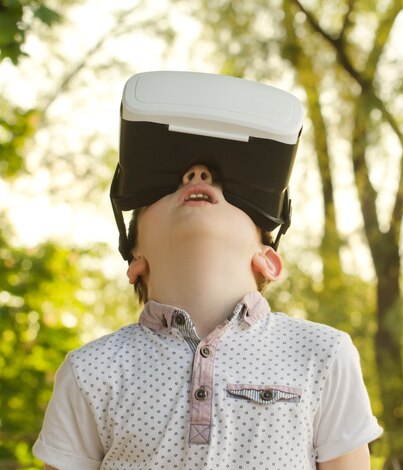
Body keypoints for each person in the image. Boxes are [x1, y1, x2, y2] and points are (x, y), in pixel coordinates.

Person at [32, 72, 383, 469]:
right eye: (166, 191)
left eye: (224, 187)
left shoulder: (322, 355)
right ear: (135, 262)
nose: (197, 175)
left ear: (267, 259)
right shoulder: (92, 371)